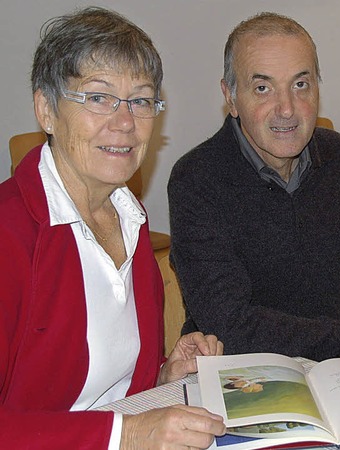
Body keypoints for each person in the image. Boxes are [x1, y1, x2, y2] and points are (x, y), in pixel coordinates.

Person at [0, 7, 226, 449]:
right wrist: (129, 433)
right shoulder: (9, 235)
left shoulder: (129, 217)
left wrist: (163, 373)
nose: (125, 122)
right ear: (46, 109)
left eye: (141, 100)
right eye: (98, 97)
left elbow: (103, 389)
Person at [168, 12, 340, 363]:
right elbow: (229, 324)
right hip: (244, 374)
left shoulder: (339, 158)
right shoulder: (195, 179)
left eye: (301, 85)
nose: (287, 109)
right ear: (231, 97)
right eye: (263, 88)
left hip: (339, 374)